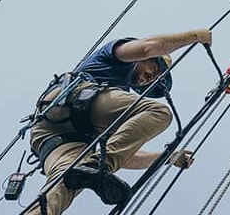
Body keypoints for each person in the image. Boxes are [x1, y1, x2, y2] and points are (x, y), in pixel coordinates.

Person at [23, 28, 212, 214]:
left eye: (155, 80)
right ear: (140, 59)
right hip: (75, 100)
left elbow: (124, 153)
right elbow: (148, 47)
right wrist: (194, 36)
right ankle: (97, 166)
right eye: (154, 69)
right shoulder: (116, 55)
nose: (151, 78)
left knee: (66, 185)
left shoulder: (117, 104)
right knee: (159, 112)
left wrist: (167, 157)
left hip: (55, 135)